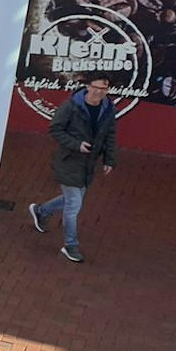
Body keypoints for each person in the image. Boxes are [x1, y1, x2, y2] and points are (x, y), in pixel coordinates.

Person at [29, 72, 118, 263]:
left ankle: (41, 211)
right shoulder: (71, 106)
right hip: (68, 161)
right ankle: (70, 245)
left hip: (88, 164)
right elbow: (55, 129)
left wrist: (109, 160)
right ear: (88, 86)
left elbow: (110, 135)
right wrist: (77, 145)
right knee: (74, 205)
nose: (98, 92)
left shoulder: (108, 109)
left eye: (103, 89)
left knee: (72, 200)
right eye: (95, 87)